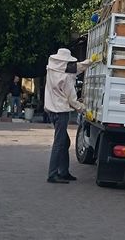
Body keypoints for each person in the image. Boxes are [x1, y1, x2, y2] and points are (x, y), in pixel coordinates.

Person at [45, 48, 92, 184]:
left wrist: (90, 62)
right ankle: (52, 174)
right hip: (61, 112)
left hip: (51, 110)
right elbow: (72, 99)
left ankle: (64, 172)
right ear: (66, 62)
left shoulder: (51, 69)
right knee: (59, 143)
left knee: (64, 142)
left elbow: (76, 68)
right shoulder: (66, 77)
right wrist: (83, 109)